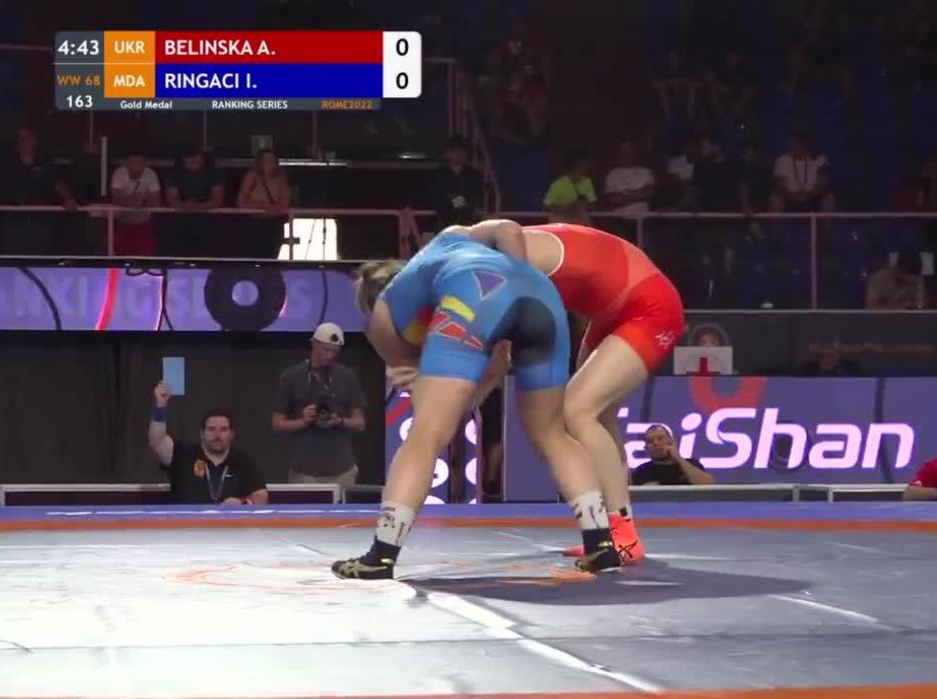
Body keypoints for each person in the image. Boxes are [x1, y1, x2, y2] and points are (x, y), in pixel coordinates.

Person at [334, 231, 621, 580]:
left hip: (475, 296)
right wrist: (516, 271)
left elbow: (425, 399)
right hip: (539, 293)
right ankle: (600, 544)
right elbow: (497, 366)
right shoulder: (450, 244)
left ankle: (381, 556)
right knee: (551, 432)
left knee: (424, 436)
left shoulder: (384, 312)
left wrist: (444, 410)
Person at [448, 219, 687, 564]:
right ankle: (616, 531)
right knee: (596, 415)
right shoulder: (493, 263)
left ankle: (621, 530)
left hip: (650, 308)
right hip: (611, 311)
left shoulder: (511, 259)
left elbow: (496, 362)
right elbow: (497, 363)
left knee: (578, 410)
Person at [272, 323, 367, 486]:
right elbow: (277, 424)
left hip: (342, 468)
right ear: (314, 344)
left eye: (335, 351)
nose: (330, 355)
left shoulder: (347, 376)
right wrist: (303, 421)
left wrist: (340, 421)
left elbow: (360, 423)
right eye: (326, 350)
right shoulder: (291, 377)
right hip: (304, 470)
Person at [149, 382, 268, 505]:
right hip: (187, 517)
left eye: (223, 429)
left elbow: (261, 495)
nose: (217, 435)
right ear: (201, 433)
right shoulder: (183, 455)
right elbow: (158, 441)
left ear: (232, 434)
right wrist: (160, 406)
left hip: (229, 518)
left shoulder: (244, 462)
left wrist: (242, 503)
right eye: (211, 429)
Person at [631, 425, 714, 486]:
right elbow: (648, 493)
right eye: (650, 441)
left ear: (672, 442)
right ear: (646, 448)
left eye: (660, 438)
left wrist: (678, 458)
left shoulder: (691, 463)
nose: (656, 443)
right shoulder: (642, 471)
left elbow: (708, 485)